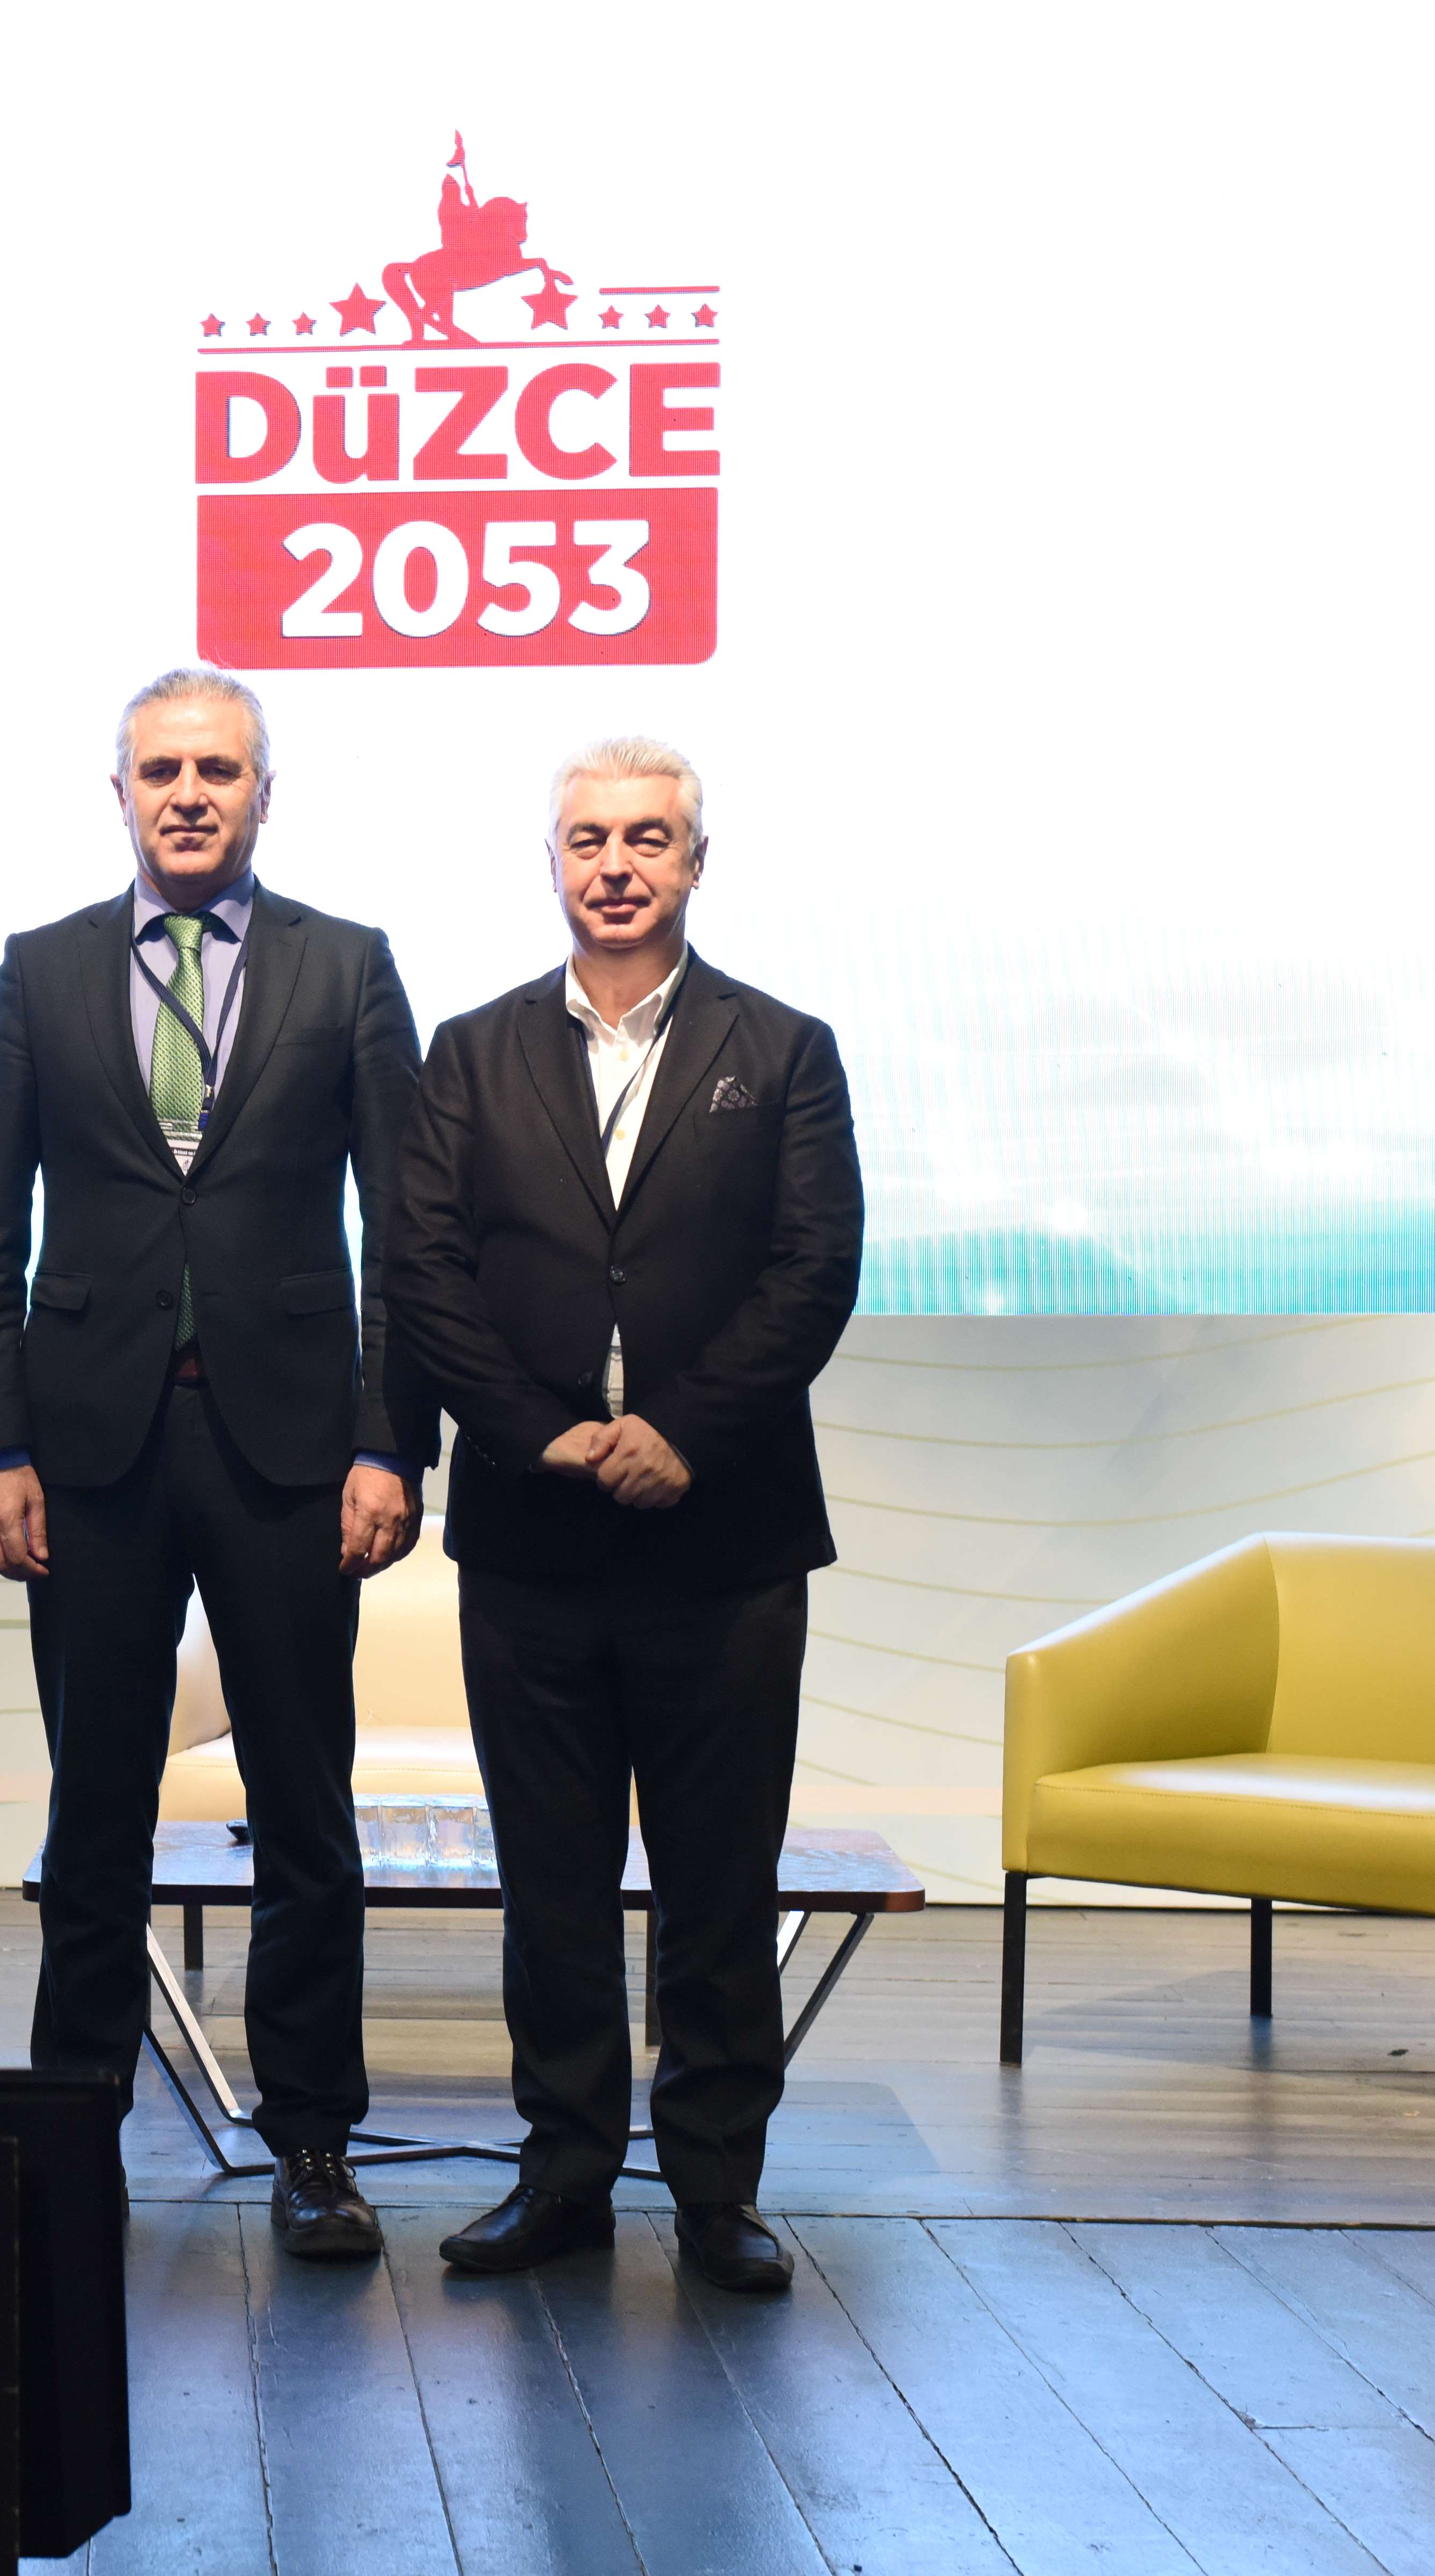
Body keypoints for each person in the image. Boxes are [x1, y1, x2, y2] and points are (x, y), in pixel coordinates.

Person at [0, 666, 437, 2258]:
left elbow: (406, 1232)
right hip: (86, 1448)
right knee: (93, 1807)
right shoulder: (37, 969)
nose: (187, 793)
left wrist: (390, 1440)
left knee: (303, 1808)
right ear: (120, 794)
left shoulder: (347, 965)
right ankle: (67, 2135)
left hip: (289, 1445)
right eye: (160, 769)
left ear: (262, 794)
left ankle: (314, 2145)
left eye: (217, 769)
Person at [385, 737, 862, 2288]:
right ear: (552, 862)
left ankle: (716, 2190)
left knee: (719, 1884)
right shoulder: (469, 1053)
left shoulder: (782, 1050)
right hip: (533, 1535)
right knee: (553, 1888)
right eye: (588, 837)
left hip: (724, 1537)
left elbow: (812, 1273)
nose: (616, 864)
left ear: (694, 863)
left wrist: (680, 1432)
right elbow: (423, 1275)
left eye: (648, 837)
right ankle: (565, 2177)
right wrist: (540, 1435)